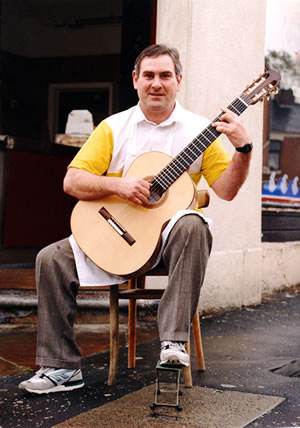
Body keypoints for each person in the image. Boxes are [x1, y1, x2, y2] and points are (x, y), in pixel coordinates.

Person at [19, 44, 252, 394]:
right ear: (135, 80)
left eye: (165, 76)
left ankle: (173, 344)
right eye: (149, 75)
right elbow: (72, 181)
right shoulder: (114, 126)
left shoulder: (200, 131)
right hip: (119, 231)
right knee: (50, 258)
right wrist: (120, 185)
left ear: (179, 81)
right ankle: (60, 368)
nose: (156, 83)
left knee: (193, 223)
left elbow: (227, 190)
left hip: (170, 242)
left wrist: (244, 149)